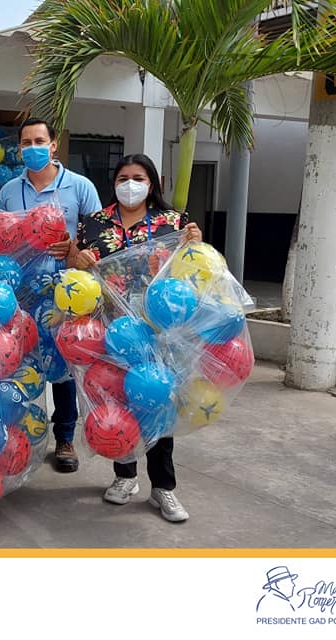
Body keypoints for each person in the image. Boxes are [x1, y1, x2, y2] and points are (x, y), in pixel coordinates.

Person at [70, 153, 202, 523]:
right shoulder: (94, 223)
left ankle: (163, 487)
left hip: (157, 329)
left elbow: (190, 267)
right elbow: (75, 268)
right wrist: (77, 259)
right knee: (115, 399)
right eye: (123, 178)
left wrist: (195, 243)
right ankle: (125, 476)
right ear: (114, 183)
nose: (130, 184)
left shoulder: (172, 221)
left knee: (156, 400)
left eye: (138, 178)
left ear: (152, 183)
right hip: (110, 328)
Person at [0, 117, 102, 474]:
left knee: (65, 365)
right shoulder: (10, 190)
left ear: (53, 145)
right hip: (22, 292)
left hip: (66, 294)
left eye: (39, 141)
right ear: (19, 148)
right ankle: (21, 435)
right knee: (22, 363)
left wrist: (74, 248)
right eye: (26, 143)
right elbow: (2, 236)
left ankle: (65, 437)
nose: (33, 148)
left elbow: (100, 239)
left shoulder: (80, 186)